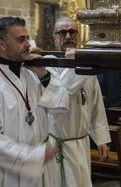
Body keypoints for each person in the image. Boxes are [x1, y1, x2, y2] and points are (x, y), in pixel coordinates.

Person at [0, 17, 69, 187]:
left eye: (27, 38)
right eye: (21, 39)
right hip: (9, 172)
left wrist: (43, 75)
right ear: (2, 44)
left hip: (43, 168)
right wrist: (32, 156)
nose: (28, 44)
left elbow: (61, 105)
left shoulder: (30, 73)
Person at [47, 16, 111, 187]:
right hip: (57, 144)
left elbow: (96, 105)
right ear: (54, 37)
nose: (68, 36)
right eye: (62, 32)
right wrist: (75, 62)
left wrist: (101, 137)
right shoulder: (48, 66)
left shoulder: (87, 68)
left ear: (78, 35)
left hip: (81, 143)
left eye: (72, 31)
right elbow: (58, 98)